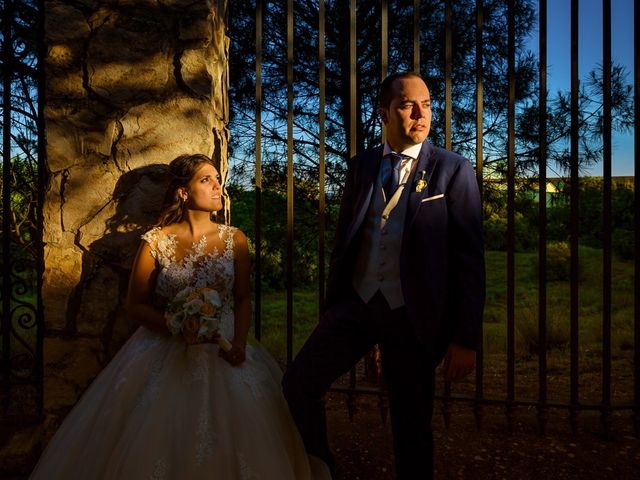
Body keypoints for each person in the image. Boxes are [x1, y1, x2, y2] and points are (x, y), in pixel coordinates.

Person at [30, 154, 330, 479]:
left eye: (218, 178)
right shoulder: (156, 241)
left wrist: (240, 342)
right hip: (163, 346)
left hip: (225, 346)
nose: (219, 186)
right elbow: (136, 305)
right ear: (183, 192)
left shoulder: (235, 239)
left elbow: (242, 298)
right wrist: (177, 326)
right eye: (206, 180)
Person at [282, 72, 485, 479]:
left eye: (427, 105)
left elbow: (469, 260)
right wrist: (333, 306)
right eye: (408, 105)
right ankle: (323, 469)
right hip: (356, 305)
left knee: (411, 424)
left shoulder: (453, 170)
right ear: (384, 113)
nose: (420, 113)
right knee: (298, 385)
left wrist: (465, 338)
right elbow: (347, 241)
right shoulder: (362, 166)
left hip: (412, 316)